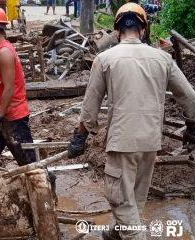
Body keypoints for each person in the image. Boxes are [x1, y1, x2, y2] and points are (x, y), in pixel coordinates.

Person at [67, 3, 195, 240]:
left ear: (117, 31)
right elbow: (190, 98)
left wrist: (80, 137)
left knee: (122, 201)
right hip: (150, 142)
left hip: (122, 143)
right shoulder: (163, 59)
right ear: (143, 29)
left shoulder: (104, 59)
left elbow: (90, 105)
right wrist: (192, 126)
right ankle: (114, 235)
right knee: (133, 200)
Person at [0, 6, 58, 204]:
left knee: (28, 163)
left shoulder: (4, 53)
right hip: (0, 114)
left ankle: (49, 182)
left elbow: (9, 89)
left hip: (13, 118)